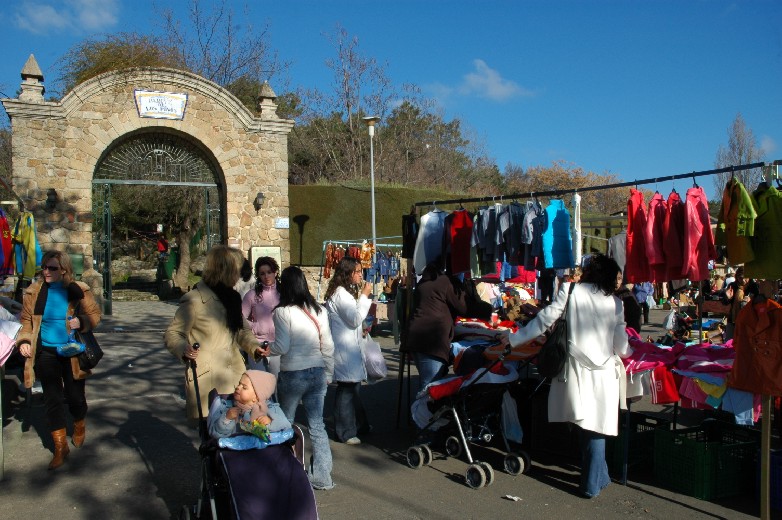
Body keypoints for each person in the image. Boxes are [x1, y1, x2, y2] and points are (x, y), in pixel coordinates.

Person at [503, 254, 631, 498]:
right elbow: (622, 346)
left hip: (576, 371)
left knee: (585, 423)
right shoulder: (615, 303)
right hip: (603, 373)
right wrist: (632, 351)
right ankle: (596, 480)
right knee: (595, 426)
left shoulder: (572, 291)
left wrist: (514, 339)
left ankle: (594, 482)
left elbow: (544, 320)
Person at [17, 250, 102, 470]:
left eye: (52, 268)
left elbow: (95, 316)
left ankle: (79, 423)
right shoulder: (34, 292)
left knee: (75, 398)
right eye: (44, 267)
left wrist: (81, 322)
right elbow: (26, 320)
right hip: (46, 352)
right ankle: (60, 446)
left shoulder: (77, 290)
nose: (46, 272)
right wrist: (24, 340)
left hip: (72, 351)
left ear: (64, 269)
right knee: (52, 400)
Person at [165, 245, 267, 424]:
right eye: (236, 270)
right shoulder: (195, 300)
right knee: (214, 439)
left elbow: (242, 331)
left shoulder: (233, 298)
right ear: (225, 270)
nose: (239, 275)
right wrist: (184, 349)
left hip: (234, 375)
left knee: (237, 436)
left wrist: (255, 348)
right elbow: (173, 333)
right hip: (208, 380)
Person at [270, 266, 336, 490]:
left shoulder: (282, 312)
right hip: (317, 372)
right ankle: (323, 477)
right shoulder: (319, 310)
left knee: (285, 424)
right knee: (317, 426)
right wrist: (329, 372)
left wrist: (264, 349)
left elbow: (282, 346)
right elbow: (327, 345)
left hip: (293, 373)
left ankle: (285, 474)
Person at [324, 257, 373, 445]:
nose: (361, 274)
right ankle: (344, 431)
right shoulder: (341, 295)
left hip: (349, 348)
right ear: (348, 273)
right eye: (358, 271)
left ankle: (360, 425)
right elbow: (354, 319)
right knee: (347, 391)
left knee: (354, 389)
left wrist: (363, 328)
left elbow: (353, 322)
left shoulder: (342, 293)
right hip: (345, 350)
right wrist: (365, 296)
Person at [404, 261, 468, 392]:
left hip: (418, 338)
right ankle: (423, 411)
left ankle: (423, 409)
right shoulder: (445, 282)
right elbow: (463, 307)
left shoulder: (426, 281)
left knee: (428, 381)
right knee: (429, 385)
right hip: (430, 340)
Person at [207, 370, 291, 439]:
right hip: (237, 454)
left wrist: (270, 422)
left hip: (264, 453)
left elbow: (286, 425)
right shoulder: (225, 406)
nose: (238, 387)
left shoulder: (270, 408)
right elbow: (215, 434)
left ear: (257, 396)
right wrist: (226, 419)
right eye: (239, 384)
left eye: (244, 387)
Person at [242, 256, 281, 375]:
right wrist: (255, 326)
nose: (266, 276)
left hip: (278, 345)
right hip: (257, 344)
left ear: (275, 272)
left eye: (269, 272)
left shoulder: (284, 293)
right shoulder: (251, 295)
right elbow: (240, 319)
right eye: (262, 273)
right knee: (260, 386)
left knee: (277, 387)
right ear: (258, 275)